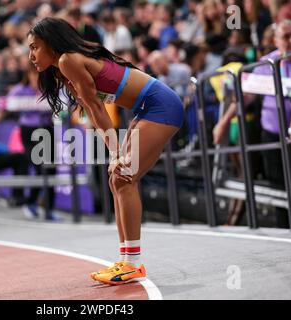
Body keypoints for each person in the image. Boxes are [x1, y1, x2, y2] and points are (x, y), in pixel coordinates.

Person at [26, 17, 184, 285]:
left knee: (124, 176)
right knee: (117, 178)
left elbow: (97, 108)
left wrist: (116, 153)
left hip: (161, 106)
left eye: (35, 47)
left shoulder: (68, 60)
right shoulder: (62, 69)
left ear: (51, 45)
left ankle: (132, 264)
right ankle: (125, 261)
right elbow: (92, 110)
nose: (31, 56)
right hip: (147, 109)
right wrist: (115, 152)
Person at [212, 20, 291, 228]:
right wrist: (224, 122)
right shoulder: (266, 63)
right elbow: (245, 95)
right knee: (279, 186)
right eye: (286, 37)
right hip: (272, 134)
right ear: (275, 41)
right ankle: (288, 231)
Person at [0, 63, 61, 221]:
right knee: (38, 164)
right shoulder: (18, 91)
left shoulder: (50, 89)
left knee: (51, 169)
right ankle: (31, 203)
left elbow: (62, 108)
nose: (36, 77)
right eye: (33, 73)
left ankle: (49, 209)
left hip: (47, 129)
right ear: (28, 75)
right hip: (29, 132)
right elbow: (3, 110)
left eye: (40, 74)